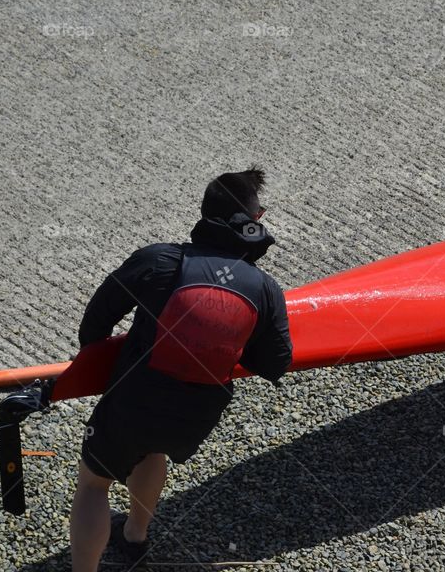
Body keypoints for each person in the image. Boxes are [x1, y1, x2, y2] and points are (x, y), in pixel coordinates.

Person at [69, 167, 293, 571]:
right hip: (197, 414)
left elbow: (97, 320)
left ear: (205, 213)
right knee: (154, 449)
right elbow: (276, 363)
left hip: (135, 397)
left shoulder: (159, 259)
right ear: (254, 222)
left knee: (94, 482)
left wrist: (95, 366)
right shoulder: (265, 288)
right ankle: (135, 537)